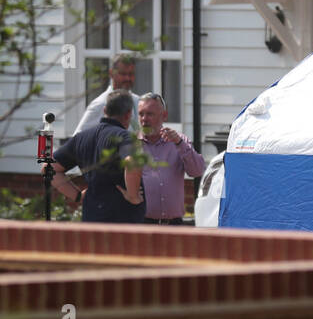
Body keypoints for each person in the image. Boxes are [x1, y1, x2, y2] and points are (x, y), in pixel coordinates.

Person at [48, 90, 145, 223]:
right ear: (128, 114)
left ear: (105, 110)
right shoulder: (125, 137)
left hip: (92, 218)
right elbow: (132, 163)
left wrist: (76, 196)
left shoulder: (81, 138)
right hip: (122, 222)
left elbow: (49, 168)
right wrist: (133, 196)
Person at [137, 92, 206, 224]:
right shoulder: (131, 144)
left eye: (150, 114)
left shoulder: (179, 141)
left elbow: (197, 171)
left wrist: (180, 144)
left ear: (164, 116)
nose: (144, 119)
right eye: (141, 114)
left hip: (173, 224)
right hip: (142, 223)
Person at [73, 52, 138, 137]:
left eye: (131, 74)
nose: (127, 78)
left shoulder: (138, 102)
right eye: (123, 74)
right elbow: (77, 139)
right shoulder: (101, 104)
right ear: (111, 73)